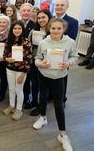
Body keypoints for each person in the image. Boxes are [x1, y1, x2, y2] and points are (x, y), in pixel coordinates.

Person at [33, 18, 78, 151]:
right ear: (49, 29)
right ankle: (42, 117)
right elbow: (37, 58)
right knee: (42, 97)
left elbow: (74, 56)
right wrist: (40, 63)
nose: (56, 31)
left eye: (59, 28)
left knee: (58, 104)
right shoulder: (43, 42)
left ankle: (62, 135)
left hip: (59, 76)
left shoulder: (70, 42)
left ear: (63, 29)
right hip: (44, 74)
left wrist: (68, 63)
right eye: (53, 28)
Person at [2, 20, 33, 121]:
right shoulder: (9, 40)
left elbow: (29, 60)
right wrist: (7, 59)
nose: (17, 30)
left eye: (19, 28)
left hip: (21, 71)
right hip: (10, 69)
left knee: (19, 90)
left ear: (22, 29)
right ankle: (11, 105)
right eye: (15, 28)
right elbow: (4, 55)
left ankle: (18, 109)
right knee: (11, 89)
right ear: (12, 29)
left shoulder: (26, 42)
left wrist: (23, 74)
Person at [55, 0, 79, 107]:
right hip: (50, 53)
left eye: (62, 5)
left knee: (62, 78)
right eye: (57, 5)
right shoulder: (51, 19)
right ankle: (52, 96)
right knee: (51, 75)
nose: (59, 7)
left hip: (64, 55)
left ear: (67, 7)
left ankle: (62, 99)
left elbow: (72, 39)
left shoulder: (73, 22)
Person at [28, 9, 52, 116]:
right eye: (39, 18)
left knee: (44, 86)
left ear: (49, 18)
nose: (41, 20)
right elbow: (28, 45)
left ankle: (40, 106)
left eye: (43, 17)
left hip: (46, 62)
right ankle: (34, 101)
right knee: (34, 83)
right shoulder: (33, 31)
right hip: (34, 61)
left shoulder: (52, 32)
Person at [20, 3, 36, 109]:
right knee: (20, 78)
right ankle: (20, 96)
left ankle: (27, 97)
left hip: (30, 56)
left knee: (29, 78)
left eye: (28, 11)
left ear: (31, 13)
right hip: (17, 55)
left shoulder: (35, 25)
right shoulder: (16, 23)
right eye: (24, 11)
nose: (26, 13)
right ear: (20, 12)